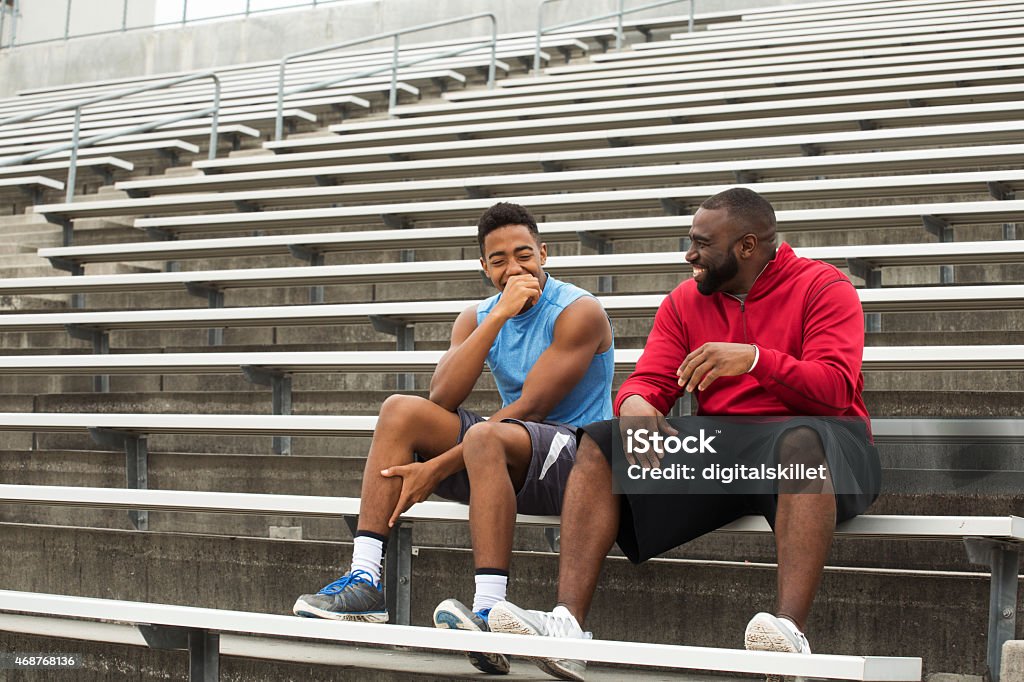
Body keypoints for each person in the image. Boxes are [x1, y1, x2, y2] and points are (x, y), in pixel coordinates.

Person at [487, 187, 881, 681]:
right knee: (603, 441)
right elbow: (650, 381)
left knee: (799, 440)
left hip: (829, 445)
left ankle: (789, 636)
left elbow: (836, 387)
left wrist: (755, 359)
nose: (689, 254)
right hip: (728, 448)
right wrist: (633, 405)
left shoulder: (824, 287)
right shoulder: (685, 300)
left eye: (701, 244)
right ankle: (566, 628)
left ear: (747, 246)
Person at [292, 201, 615, 676]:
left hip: (579, 459)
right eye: (499, 260)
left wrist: (439, 466)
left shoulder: (578, 311)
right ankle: (365, 580)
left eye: (524, 255)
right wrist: (498, 316)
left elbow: (533, 409)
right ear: (484, 268)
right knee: (400, 411)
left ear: (544, 253)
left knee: (485, 436)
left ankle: (488, 611)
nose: (514, 268)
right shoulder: (480, 315)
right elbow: (442, 394)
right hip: (509, 449)